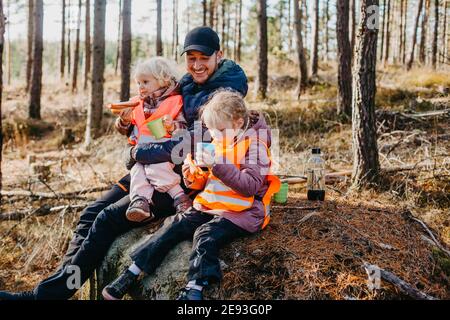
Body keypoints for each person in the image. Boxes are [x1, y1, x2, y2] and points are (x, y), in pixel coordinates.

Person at [0, 26, 249, 300]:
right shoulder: (187, 84)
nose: (197, 64)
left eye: (204, 58)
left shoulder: (226, 94)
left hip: (186, 178)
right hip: (153, 167)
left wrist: (138, 153)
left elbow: (193, 141)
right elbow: (157, 103)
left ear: (219, 55)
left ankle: (44, 297)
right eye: (191, 58)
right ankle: (56, 288)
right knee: (90, 213)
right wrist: (129, 123)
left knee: (106, 220)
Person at [101, 90, 281, 301]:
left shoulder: (256, 145)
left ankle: (195, 288)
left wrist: (217, 164)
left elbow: (250, 186)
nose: (214, 136)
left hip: (245, 211)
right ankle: (132, 271)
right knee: (176, 224)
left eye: (220, 130)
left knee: (205, 234)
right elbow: (207, 181)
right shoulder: (220, 139)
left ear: (239, 122)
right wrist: (193, 174)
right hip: (213, 204)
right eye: (211, 130)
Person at [111, 57, 192, 223]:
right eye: (138, 83)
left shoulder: (175, 101)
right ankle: (141, 202)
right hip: (141, 149)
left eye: (145, 82)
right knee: (137, 172)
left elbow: (184, 128)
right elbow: (124, 129)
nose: (140, 87)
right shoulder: (137, 103)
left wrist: (173, 126)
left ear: (163, 80)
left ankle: (180, 197)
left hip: (163, 149)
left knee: (156, 170)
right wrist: (124, 121)